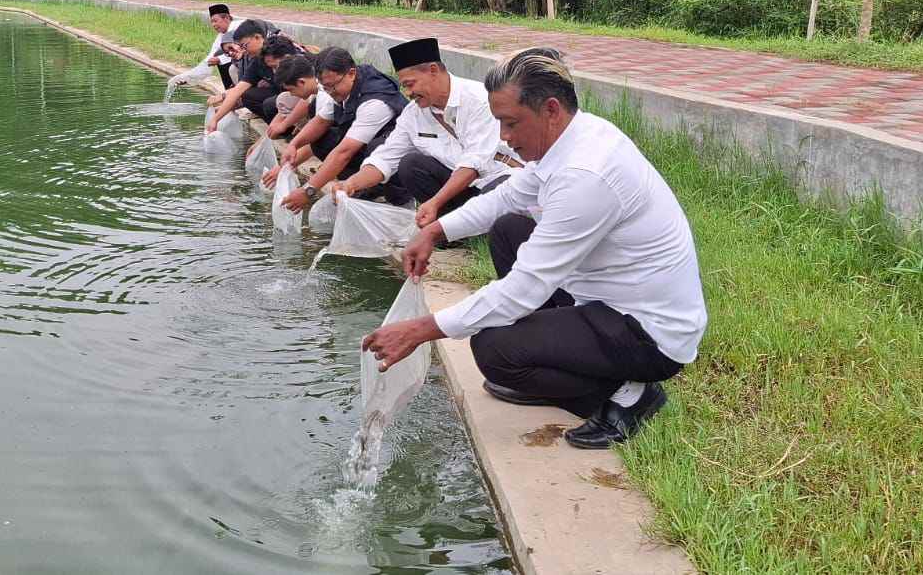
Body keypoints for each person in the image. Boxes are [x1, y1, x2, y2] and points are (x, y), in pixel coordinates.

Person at [360, 47, 706, 450]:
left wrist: (421, 330)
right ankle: (560, 358)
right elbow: (506, 196)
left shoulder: (585, 175)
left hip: (647, 332)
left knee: (493, 351)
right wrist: (436, 230)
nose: (504, 138)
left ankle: (629, 396)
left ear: (551, 109)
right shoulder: (575, 135)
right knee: (509, 229)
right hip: (605, 297)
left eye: (510, 123)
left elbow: (525, 288)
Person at [332, 37, 520, 227]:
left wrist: (434, 202)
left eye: (410, 84)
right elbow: (386, 157)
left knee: (500, 193)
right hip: (458, 187)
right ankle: (449, 223)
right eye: (404, 86)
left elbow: (473, 164)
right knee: (411, 164)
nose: (408, 93)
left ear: (433, 71)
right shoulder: (413, 114)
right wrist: (351, 184)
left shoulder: (478, 99)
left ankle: (464, 225)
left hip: (495, 178)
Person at [275, 47, 409, 211]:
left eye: (332, 86)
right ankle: (362, 188)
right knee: (322, 140)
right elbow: (320, 121)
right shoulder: (343, 88)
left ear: (351, 73)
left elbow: (344, 153)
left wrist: (308, 190)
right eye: (325, 87)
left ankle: (397, 202)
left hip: (397, 155)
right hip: (366, 148)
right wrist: (293, 145)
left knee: (376, 148)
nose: (329, 92)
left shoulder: (375, 101)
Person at [205, 18, 285, 129]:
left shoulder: (282, 52)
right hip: (285, 96)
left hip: (300, 98)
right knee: (248, 95)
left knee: (271, 104)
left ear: (257, 37)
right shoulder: (256, 60)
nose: (244, 51)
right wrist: (215, 119)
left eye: (244, 46)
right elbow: (238, 90)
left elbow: (300, 94)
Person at [170, 3, 245, 91]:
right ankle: (230, 92)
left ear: (227, 18)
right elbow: (208, 61)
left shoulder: (240, 27)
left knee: (225, 62)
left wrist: (220, 59)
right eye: (212, 22)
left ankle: (237, 94)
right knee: (218, 58)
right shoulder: (221, 36)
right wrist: (187, 78)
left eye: (215, 21)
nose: (213, 25)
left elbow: (244, 51)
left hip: (254, 65)